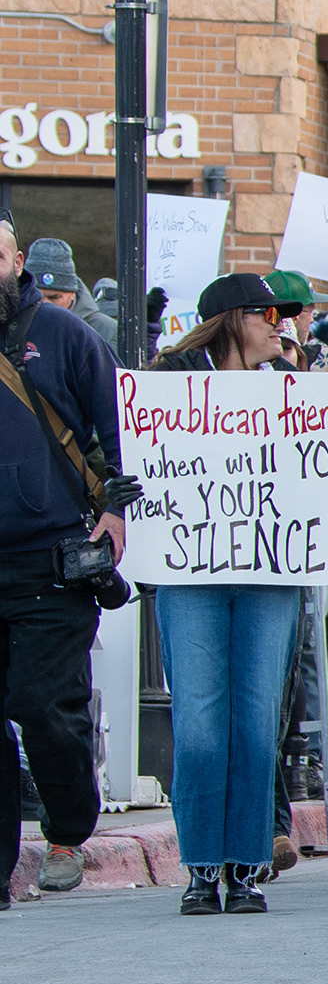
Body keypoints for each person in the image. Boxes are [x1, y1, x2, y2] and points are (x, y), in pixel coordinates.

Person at [143, 276, 299, 914]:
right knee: (201, 723)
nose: (279, 325)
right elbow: (125, 453)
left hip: (270, 572)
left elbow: (326, 472)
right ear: (231, 319)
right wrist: (122, 487)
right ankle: (203, 866)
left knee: (257, 721)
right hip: (190, 572)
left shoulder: (297, 391)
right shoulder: (165, 387)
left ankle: (248, 864)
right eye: (268, 313)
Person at [0, 219, 130, 903]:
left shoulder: (66, 335)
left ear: (15, 260)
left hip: (50, 557)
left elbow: (116, 428)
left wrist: (115, 510)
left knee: (46, 706)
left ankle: (65, 832)